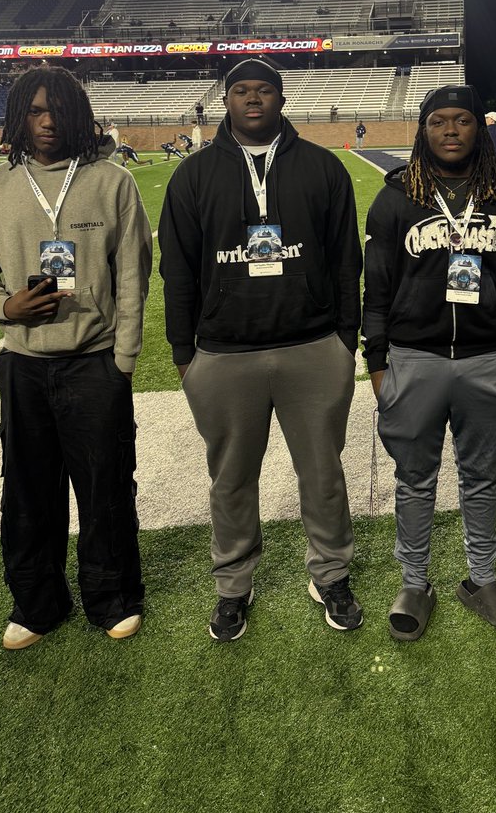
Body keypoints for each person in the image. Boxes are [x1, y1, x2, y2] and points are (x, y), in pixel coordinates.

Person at [158, 56, 363, 643]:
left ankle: (330, 574)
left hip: (313, 346)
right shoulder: (193, 176)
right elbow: (178, 272)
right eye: (242, 91)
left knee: (323, 475)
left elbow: (346, 261)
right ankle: (233, 586)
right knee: (230, 479)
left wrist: (344, 341)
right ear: (226, 101)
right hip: (224, 354)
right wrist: (184, 351)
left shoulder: (322, 168)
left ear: (280, 98)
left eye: (265, 90)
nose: (254, 99)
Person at [0, 67, 152, 650]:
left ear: (77, 115)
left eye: (57, 110)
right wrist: (4, 307)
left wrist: (124, 358)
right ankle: (36, 603)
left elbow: (134, 274)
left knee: (106, 485)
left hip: (94, 361)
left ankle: (111, 597)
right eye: (35, 111)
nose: (47, 122)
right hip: (23, 364)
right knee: (27, 487)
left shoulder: (112, 182)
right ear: (18, 117)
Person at [363, 84, 496, 640]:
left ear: (477, 128)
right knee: (415, 478)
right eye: (438, 121)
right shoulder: (396, 198)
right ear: (422, 129)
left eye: (461, 120)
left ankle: (481, 578)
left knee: (481, 477)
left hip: (487, 360)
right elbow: (376, 288)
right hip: (413, 359)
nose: (450, 131)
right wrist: (377, 360)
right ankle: (415, 582)